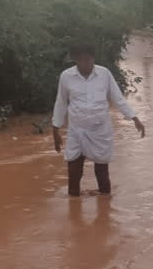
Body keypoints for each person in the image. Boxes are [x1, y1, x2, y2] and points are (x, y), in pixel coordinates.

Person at [52, 43, 145, 196]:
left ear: (93, 58)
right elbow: (61, 102)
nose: (84, 64)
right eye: (80, 60)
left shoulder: (104, 74)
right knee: (74, 171)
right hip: (77, 130)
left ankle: (105, 207)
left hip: (100, 130)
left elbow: (117, 99)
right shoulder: (66, 76)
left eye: (88, 59)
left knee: (102, 172)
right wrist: (55, 130)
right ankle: (74, 209)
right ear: (75, 59)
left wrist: (134, 118)